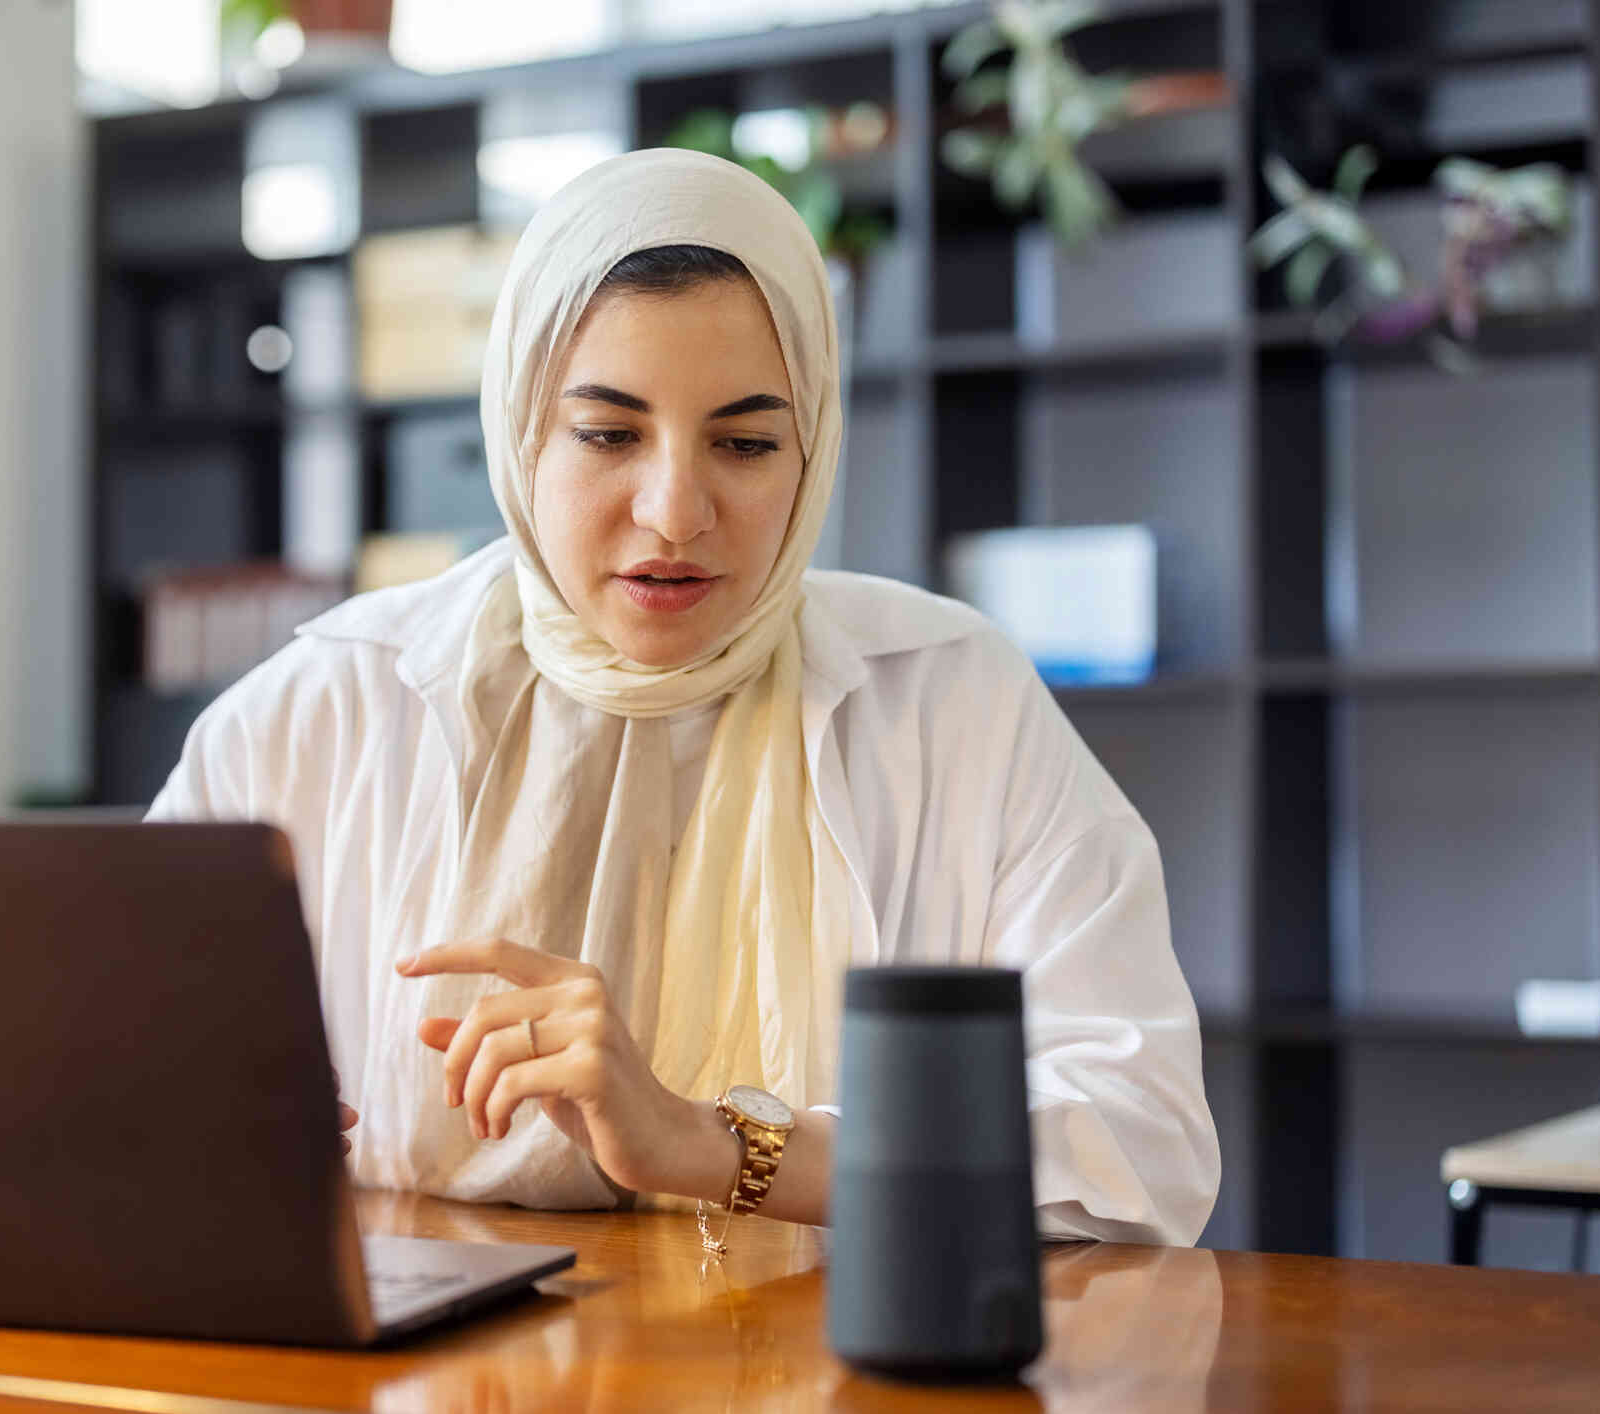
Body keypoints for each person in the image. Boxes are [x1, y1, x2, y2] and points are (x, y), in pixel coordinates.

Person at [149, 148, 1219, 1245]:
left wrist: (708, 1142)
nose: (672, 512)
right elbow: (104, 1075)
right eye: (608, 434)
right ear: (519, 431)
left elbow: (1143, 1145)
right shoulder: (317, 712)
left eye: (746, 442)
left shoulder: (951, 700)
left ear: (813, 450)